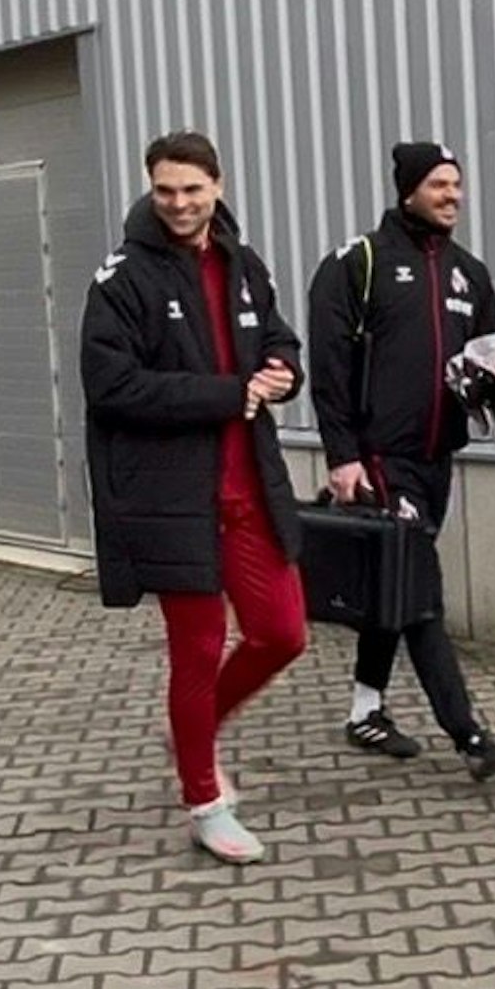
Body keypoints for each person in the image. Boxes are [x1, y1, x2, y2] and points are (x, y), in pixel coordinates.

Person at [80, 131, 310, 865]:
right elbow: (110, 388)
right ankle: (205, 801)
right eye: (165, 190)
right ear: (151, 190)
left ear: (217, 185)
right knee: (198, 650)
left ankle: (194, 729)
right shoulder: (120, 279)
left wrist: (282, 371)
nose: (179, 204)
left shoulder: (244, 263)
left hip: (251, 491)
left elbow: (280, 341)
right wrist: (229, 393)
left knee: (283, 634)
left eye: (192, 189)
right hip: (174, 499)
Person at [306, 141, 495, 782]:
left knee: (394, 585)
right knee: (421, 593)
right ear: (408, 192)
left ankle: (365, 710)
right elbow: (331, 369)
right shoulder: (359, 264)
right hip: (378, 459)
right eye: (438, 185)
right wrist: (343, 455)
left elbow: (491, 356)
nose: (452, 195)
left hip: (436, 459)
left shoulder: (469, 273)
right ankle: (469, 735)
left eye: (457, 185)